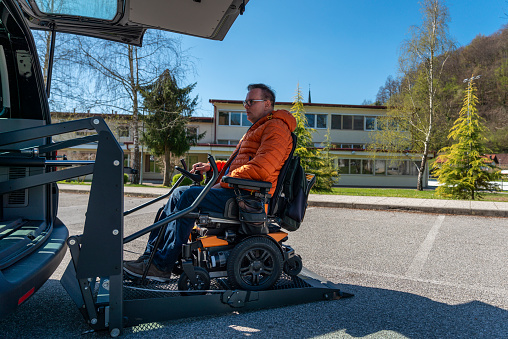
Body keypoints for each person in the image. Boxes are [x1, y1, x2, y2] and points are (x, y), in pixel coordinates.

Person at [124, 83, 297, 281]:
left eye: (251, 101)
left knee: (185, 196)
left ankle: (161, 267)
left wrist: (222, 181)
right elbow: (241, 165)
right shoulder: (259, 128)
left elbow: (262, 169)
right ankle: (150, 259)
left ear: (267, 104)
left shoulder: (276, 128)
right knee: (169, 206)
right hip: (239, 190)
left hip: (248, 197)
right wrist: (212, 168)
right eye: (245, 102)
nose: (246, 106)